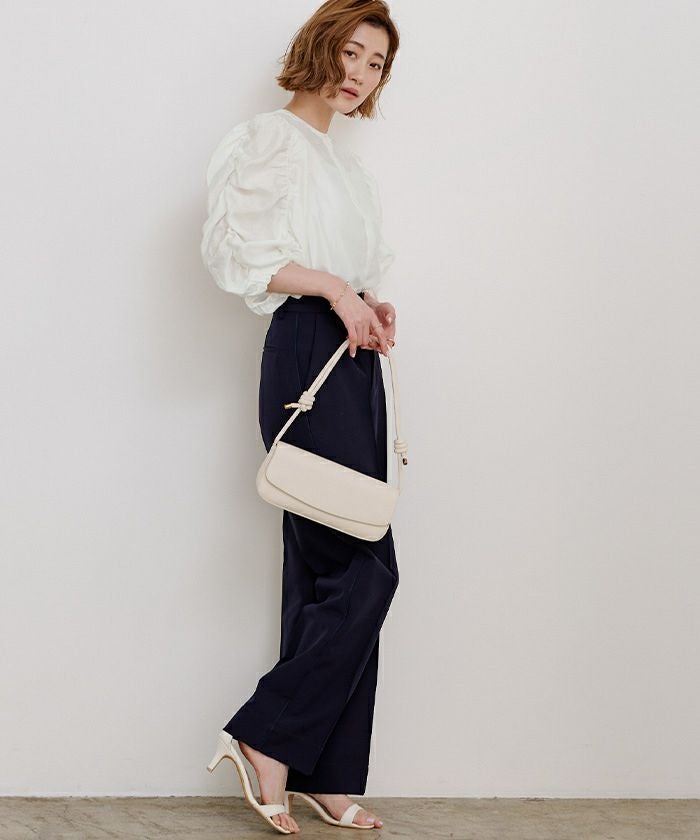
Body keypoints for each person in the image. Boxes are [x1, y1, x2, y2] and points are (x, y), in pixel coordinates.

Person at [200, 1, 401, 833]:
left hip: (352, 359)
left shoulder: (345, 168)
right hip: (305, 352)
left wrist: (368, 302)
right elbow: (236, 252)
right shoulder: (270, 139)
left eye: (376, 63)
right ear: (319, 47)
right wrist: (333, 290)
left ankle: (326, 769)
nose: (360, 73)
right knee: (366, 567)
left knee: (324, 568)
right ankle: (265, 736)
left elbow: (344, 269)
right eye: (351, 52)